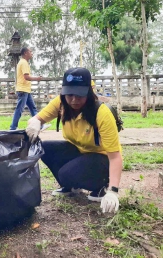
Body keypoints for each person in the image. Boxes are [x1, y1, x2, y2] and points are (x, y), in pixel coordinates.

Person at [26, 67, 122, 214]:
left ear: (89, 92)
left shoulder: (102, 113)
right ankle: (71, 186)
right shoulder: (61, 103)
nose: (74, 100)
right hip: (80, 152)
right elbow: (39, 117)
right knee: (44, 148)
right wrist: (35, 122)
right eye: (69, 94)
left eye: (79, 95)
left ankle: (102, 186)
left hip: (101, 158)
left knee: (66, 174)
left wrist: (113, 190)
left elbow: (115, 157)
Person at [10, 47, 49, 130]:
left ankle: (40, 125)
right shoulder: (23, 63)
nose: (32, 53)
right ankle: (13, 127)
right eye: (30, 51)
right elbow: (26, 77)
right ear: (25, 53)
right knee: (19, 109)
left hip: (26, 90)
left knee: (33, 108)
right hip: (23, 90)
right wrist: (37, 78)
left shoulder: (24, 62)